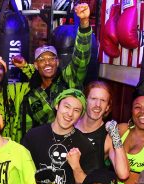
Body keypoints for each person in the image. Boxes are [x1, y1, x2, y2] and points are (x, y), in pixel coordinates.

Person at [19, 2, 92, 134]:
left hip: (71, 143)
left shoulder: (68, 80)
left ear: (57, 62)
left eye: (51, 58)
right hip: (43, 148)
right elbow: (28, 131)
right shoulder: (32, 95)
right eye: (42, 59)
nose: (47, 63)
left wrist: (84, 24)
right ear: (36, 65)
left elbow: (81, 59)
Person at [22, 88, 98, 184]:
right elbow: (22, 173)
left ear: (80, 115)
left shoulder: (85, 146)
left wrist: (76, 167)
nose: (70, 113)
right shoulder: (33, 136)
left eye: (76, 110)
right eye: (66, 107)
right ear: (57, 105)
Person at [75, 81, 129, 179]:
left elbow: (123, 174)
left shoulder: (108, 137)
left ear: (107, 107)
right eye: (93, 98)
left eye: (103, 100)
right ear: (85, 101)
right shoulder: (71, 124)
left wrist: (115, 136)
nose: (98, 105)